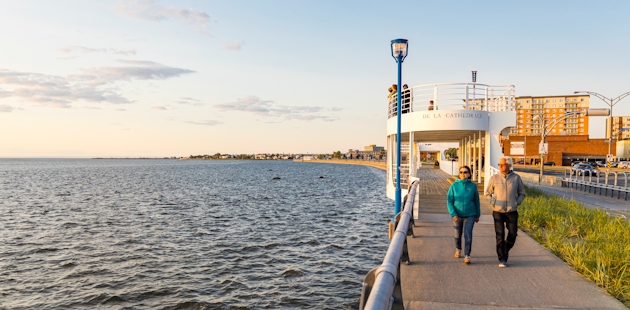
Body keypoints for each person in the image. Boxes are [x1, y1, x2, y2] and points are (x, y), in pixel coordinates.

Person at [485, 156, 526, 268]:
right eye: (500, 165)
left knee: (512, 234)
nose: (502, 167)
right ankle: (502, 258)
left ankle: (504, 249)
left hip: (512, 211)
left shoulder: (516, 178)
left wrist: (517, 202)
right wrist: (494, 202)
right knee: (500, 235)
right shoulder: (494, 178)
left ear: (509, 166)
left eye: (504, 165)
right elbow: (487, 193)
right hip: (498, 211)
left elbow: (522, 193)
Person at [447, 165, 480, 264]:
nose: (463, 174)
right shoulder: (454, 186)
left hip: (471, 214)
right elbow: (449, 200)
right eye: (461, 172)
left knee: (468, 234)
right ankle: (458, 248)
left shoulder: (473, 186)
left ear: (469, 174)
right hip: (457, 214)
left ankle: (467, 255)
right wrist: (453, 213)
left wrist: (478, 214)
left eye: (465, 172)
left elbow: (476, 201)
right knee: (458, 234)